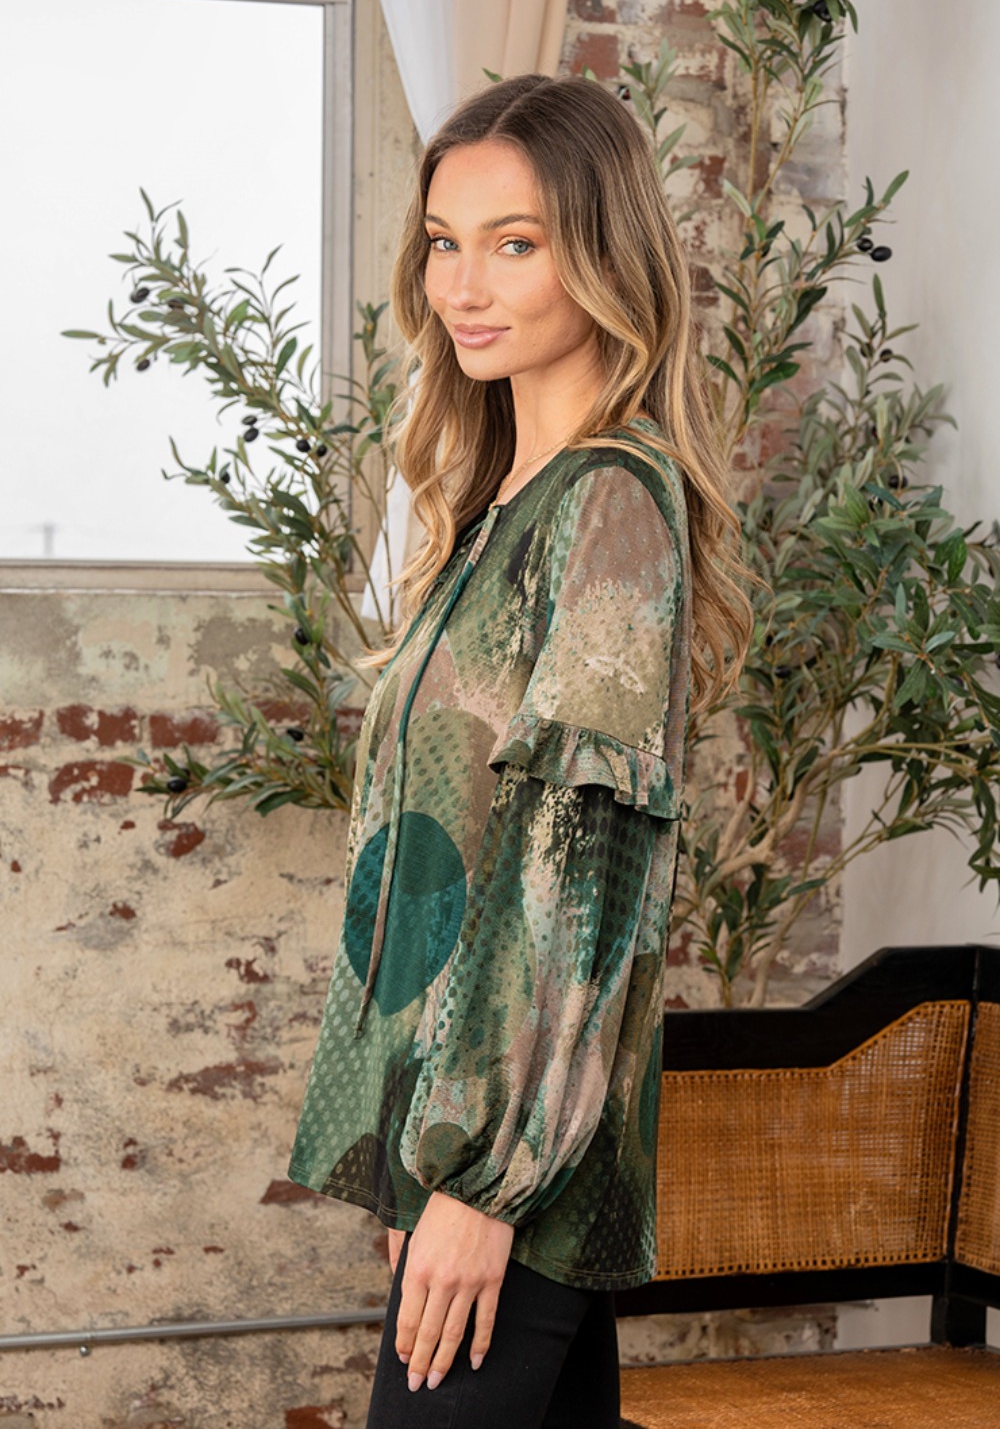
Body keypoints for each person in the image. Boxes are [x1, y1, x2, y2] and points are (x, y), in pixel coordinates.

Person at [287, 73, 751, 1427]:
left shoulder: (607, 504)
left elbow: (578, 879)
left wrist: (480, 1182)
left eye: (516, 242)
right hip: (470, 1139)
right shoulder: (506, 504)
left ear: (601, 256)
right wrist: (423, 1157)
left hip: (508, 1166)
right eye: (445, 240)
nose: (463, 284)